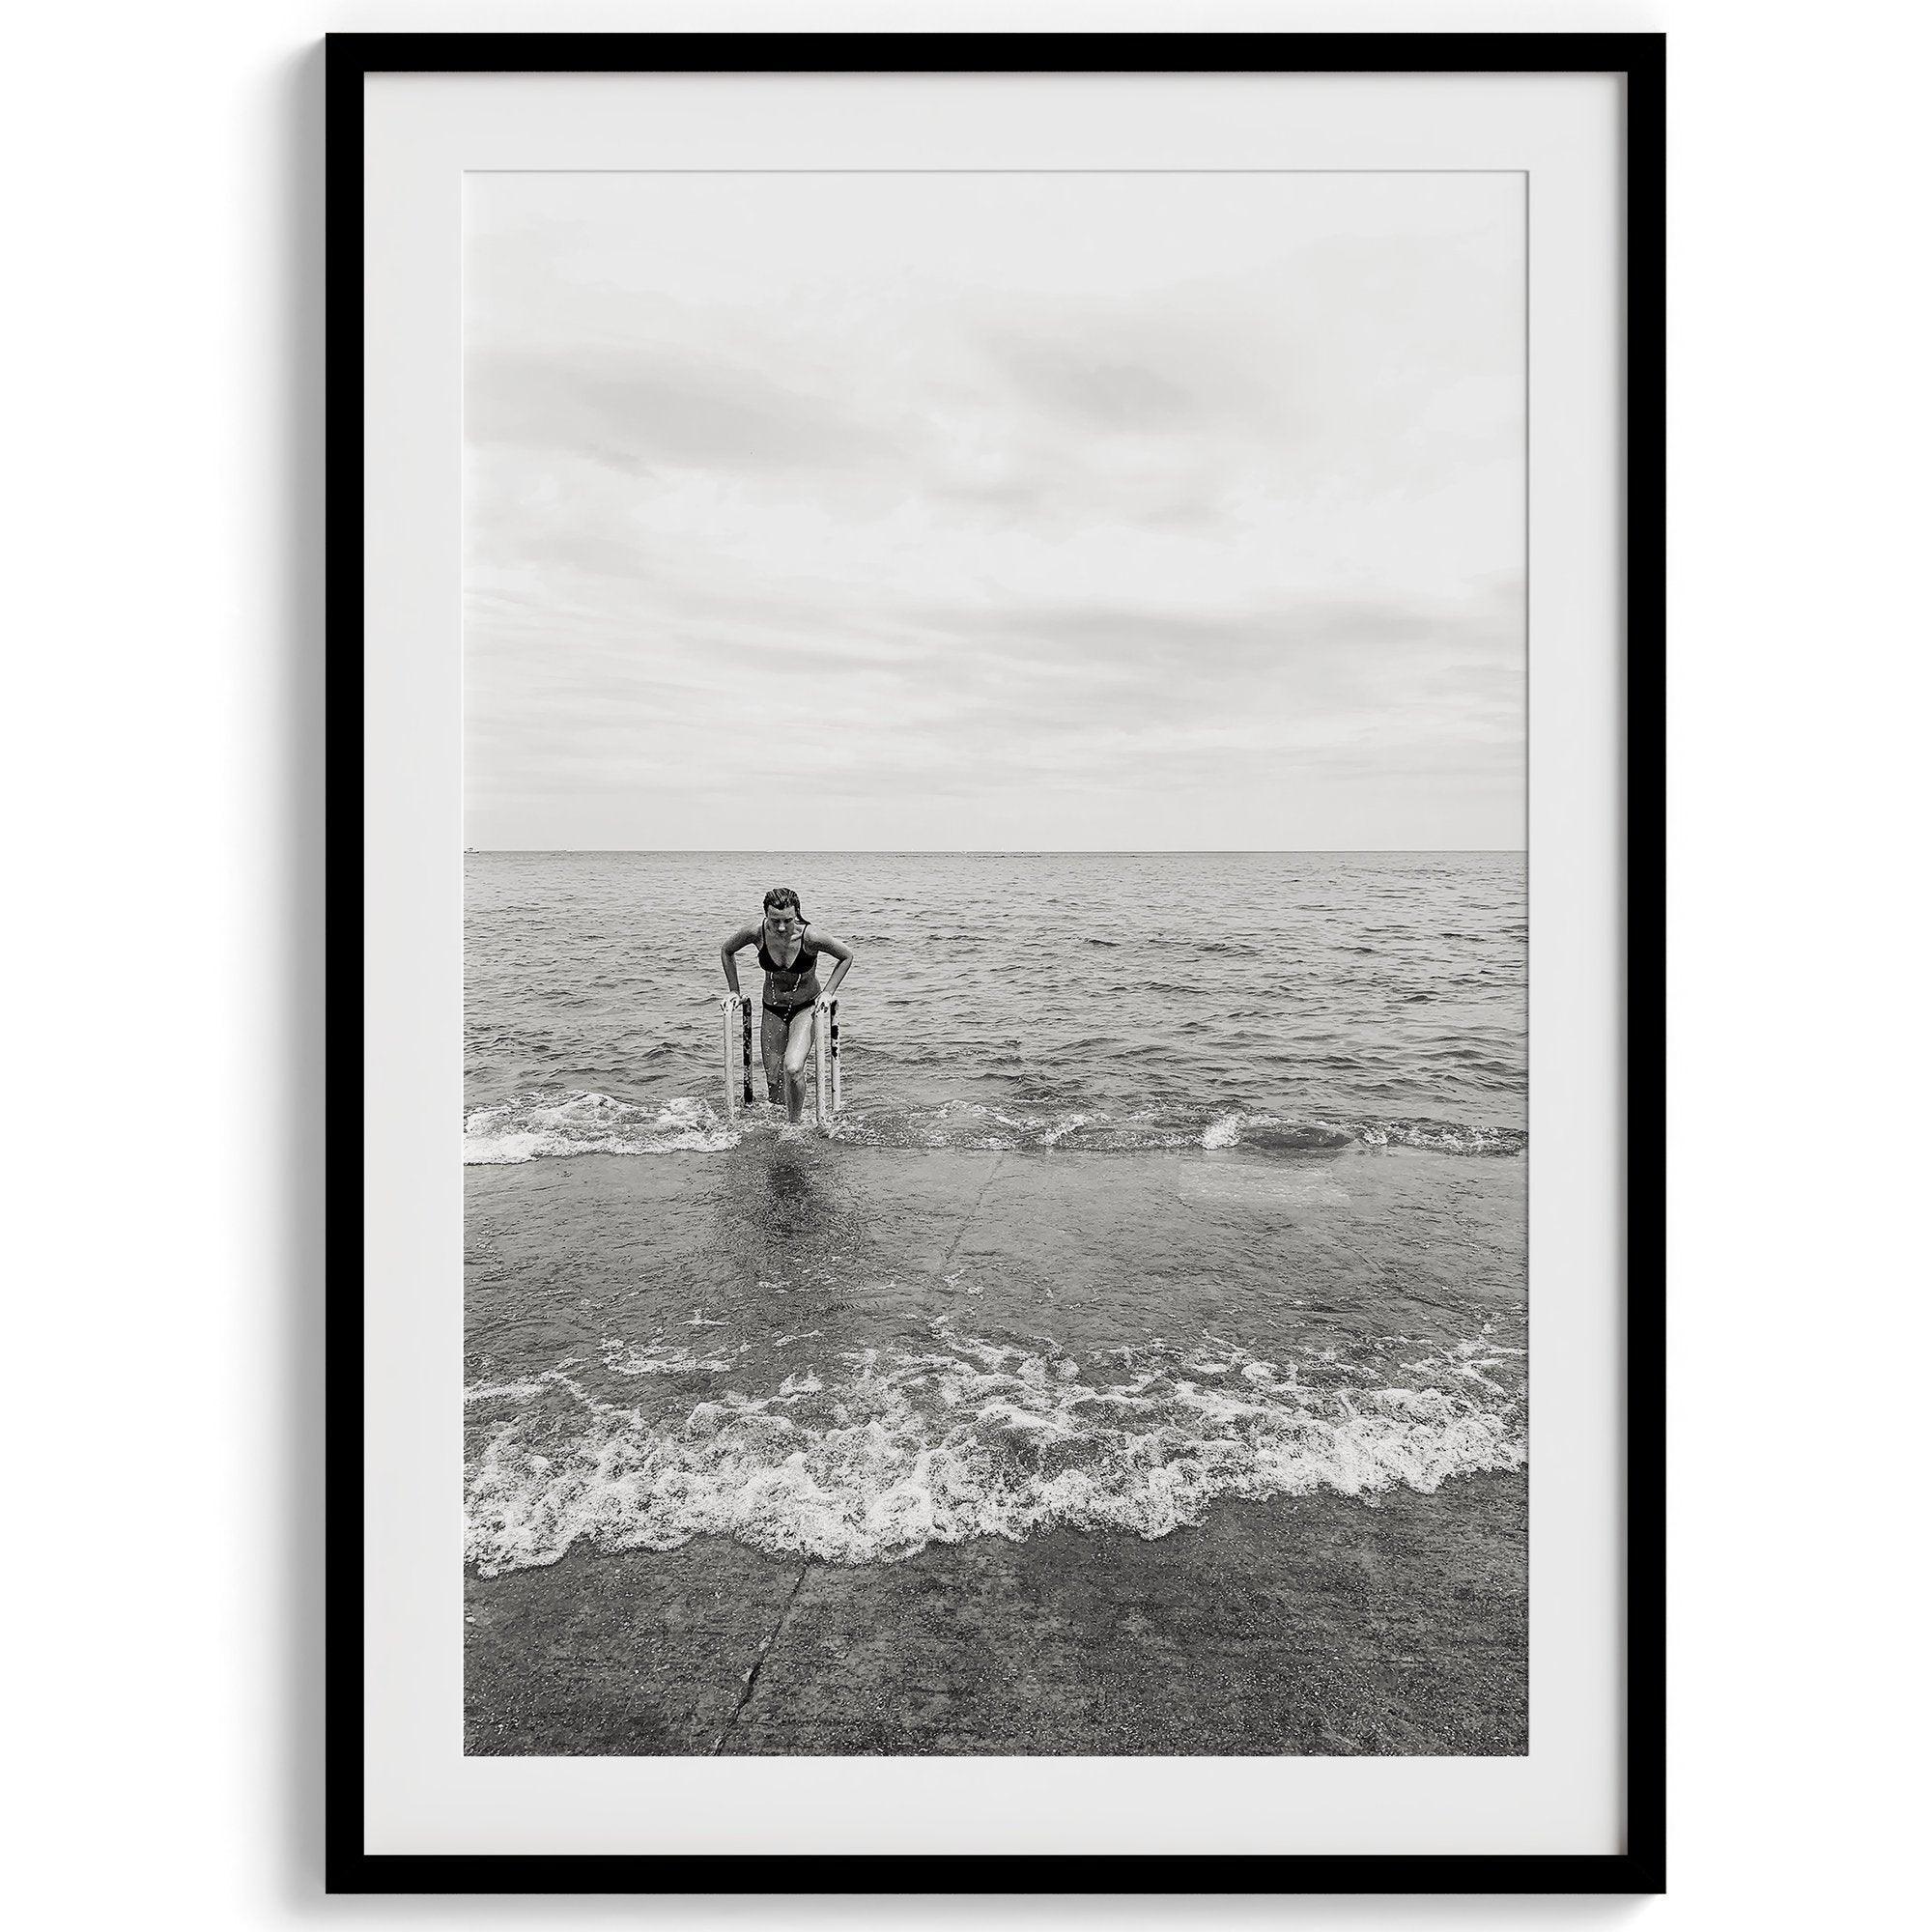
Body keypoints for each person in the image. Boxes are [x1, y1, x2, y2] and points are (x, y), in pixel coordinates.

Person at [720, 888, 854, 1123]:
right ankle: (779, 1126)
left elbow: (846, 956)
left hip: (805, 1008)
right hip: (772, 1009)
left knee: (792, 1068)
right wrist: (734, 990)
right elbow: (727, 950)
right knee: (773, 1078)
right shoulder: (756, 933)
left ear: (797, 915)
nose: (781, 927)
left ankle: (794, 1123)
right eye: (775, 921)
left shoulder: (811, 937)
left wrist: (827, 992)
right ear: (766, 915)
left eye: (788, 920)